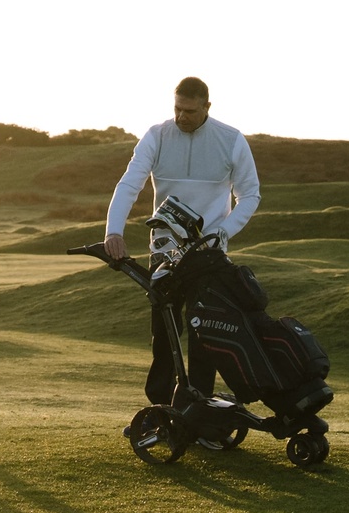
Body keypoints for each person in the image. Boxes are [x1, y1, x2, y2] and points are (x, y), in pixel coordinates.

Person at [104, 76, 262, 404]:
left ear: (207, 107)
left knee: (204, 332)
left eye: (189, 111)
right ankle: (162, 408)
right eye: (177, 109)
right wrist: (113, 231)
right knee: (163, 333)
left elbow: (249, 195)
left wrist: (222, 232)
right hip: (164, 253)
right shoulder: (156, 136)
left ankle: (199, 405)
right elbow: (129, 185)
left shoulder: (231, 140)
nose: (181, 117)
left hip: (209, 256)